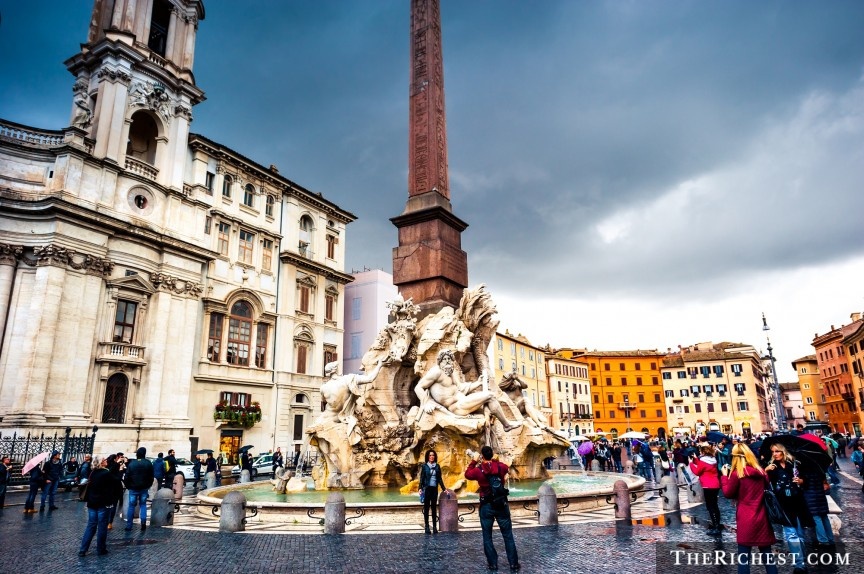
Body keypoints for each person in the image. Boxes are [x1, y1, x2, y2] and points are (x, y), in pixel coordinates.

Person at [415, 350, 520, 431]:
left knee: (489, 400)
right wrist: (426, 402)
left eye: (449, 359)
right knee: (490, 396)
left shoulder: (451, 371)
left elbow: (461, 388)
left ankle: (504, 424)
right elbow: (418, 387)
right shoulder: (436, 372)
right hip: (456, 407)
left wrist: (478, 383)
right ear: (440, 361)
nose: (447, 361)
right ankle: (506, 425)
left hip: (463, 401)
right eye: (445, 359)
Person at [720, 444, 778, 574]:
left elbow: (728, 493)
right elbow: (766, 488)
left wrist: (724, 476)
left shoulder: (737, 474)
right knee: (767, 556)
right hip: (762, 516)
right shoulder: (761, 472)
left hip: (746, 518)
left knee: (744, 557)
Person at [465, 446, 520, 572]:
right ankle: (513, 564)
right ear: (492, 454)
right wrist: (494, 462)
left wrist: (474, 461)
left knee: (487, 536)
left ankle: (493, 564)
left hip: (486, 506)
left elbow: (467, 474)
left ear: (482, 456)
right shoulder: (500, 467)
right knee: (508, 535)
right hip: (501, 505)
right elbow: (506, 468)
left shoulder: (478, 470)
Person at [765, 444, 812, 574]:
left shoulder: (795, 465)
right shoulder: (771, 467)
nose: (775, 454)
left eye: (777, 451)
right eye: (773, 452)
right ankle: (799, 565)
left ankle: (802, 561)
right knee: (791, 535)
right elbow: (763, 484)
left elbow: (806, 479)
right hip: (783, 505)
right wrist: (765, 471)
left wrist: (801, 481)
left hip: (798, 503)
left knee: (800, 535)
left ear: (783, 452)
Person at [78, 456, 122, 557]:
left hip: (92, 503)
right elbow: (117, 480)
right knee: (102, 526)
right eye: (105, 460)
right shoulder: (105, 473)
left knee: (91, 525)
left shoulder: (93, 472)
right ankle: (101, 549)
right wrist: (119, 469)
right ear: (101, 463)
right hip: (103, 503)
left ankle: (83, 549)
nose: (106, 461)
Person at [799, 461, 835, 548]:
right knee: (824, 516)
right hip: (820, 494)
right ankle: (830, 539)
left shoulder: (804, 468)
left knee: (816, 517)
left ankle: (823, 540)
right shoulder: (819, 467)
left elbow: (805, 483)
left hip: (810, 495)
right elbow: (823, 480)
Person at [690, 444, 722, 534]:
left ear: (703, 452)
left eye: (700, 452)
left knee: (710, 506)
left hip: (707, 486)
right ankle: (717, 524)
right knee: (715, 505)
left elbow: (697, 471)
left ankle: (716, 527)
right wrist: (696, 459)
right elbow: (702, 466)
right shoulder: (713, 460)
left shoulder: (703, 462)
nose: (700, 453)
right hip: (715, 485)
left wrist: (691, 463)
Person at [123, 447, 154, 532]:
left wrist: (128, 486)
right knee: (143, 505)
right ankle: (143, 523)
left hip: (133, 488)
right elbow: (151, 476)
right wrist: (148, 485)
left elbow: (127, 476)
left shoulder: (132, 463)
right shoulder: (148, 463)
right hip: (144, 488)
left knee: (131, 506)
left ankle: (129, 525)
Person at [418, 449, 446, 534]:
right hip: (427, 489)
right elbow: (422, 478)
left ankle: (434, 527)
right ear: (427, 457)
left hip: (434, 489)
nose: (431, 457)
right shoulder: (424, 466)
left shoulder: (437, 466)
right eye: (430, 455)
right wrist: (420, 488)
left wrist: (444, 489)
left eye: (433, 455)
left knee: (434, 508)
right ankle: (426, 526)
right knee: (426, 508)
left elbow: (439, 479)